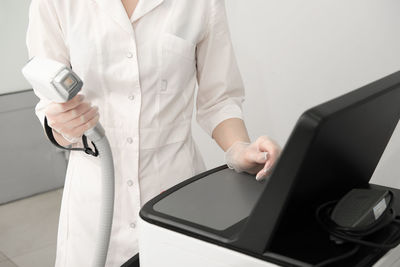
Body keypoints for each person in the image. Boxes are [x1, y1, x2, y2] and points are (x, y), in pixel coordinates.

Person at [27, 0, 281, 266]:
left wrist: (239, 148)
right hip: (93, 202)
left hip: (176, 196)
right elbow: (49, 105)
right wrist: (64, 125)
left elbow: (219, 98)